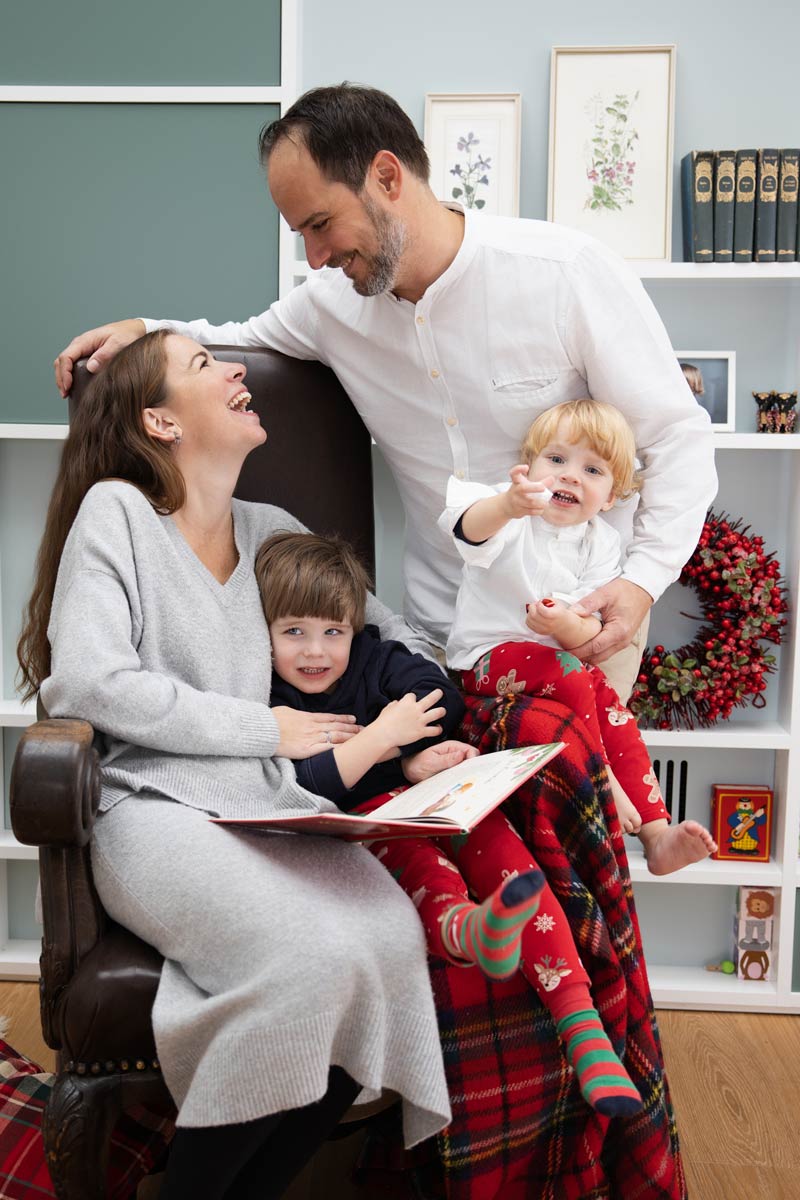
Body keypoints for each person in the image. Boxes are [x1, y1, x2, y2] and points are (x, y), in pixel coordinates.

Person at [52, 82, 717, 702]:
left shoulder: (564, 275)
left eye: (320, 225)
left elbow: (676, 438)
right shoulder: (329, 307)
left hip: (578, 626)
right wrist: (141, 327)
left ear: (388, 178)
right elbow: (234, 336)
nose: (314, 258)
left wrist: (640, 582)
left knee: (566, 824)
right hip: (443, 639)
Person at [17, 330, 452, 1200]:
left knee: (387, 941)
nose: (235, 371)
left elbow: (388, 631)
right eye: (202, 366)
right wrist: (267, 728)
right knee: (304, 960)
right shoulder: (119, 514)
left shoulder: (273, 533)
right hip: (151, 811)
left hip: (274, 808)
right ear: (159, 420)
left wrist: (423, 710)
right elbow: (91, 683)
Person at [259, 529, 644, 1118]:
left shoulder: (370, 656)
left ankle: (582, 1027)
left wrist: (413, 757)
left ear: (354, 628)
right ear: (265, 636)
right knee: (423, 867)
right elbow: (313, 781)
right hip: (360, 822)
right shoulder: (271, 697)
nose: (316, 652)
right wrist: (388, 739)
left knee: (498, 844)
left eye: (332, 632)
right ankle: (470, 931)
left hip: (422, 792)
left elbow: (440, 696)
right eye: (294, 633)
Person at [440, 397, 717, 873]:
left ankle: (656, 834)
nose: (570, 475)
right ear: (529, 467)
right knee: (571, 673)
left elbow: (590, 625)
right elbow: (467, 529)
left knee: (613, 709)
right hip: (485, 661)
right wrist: (507, 504)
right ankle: (604, 778)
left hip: (558, 670)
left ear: (610, 497)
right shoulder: (510, 516)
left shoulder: (603, 545)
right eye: (557, 459)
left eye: (592, 470)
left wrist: (561, 623)